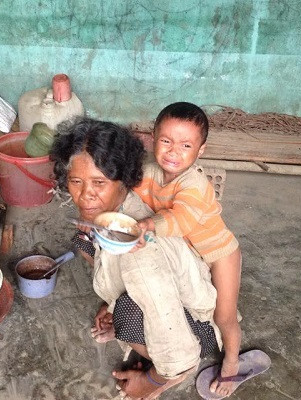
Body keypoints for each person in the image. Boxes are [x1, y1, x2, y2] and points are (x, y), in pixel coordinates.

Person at [50, 118, 221, 399]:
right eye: (76, 181)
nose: (85, 195)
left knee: (127, 314)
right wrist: (108, 303)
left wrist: (151, 381)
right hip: (159, 293)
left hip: (194, 331)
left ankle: (169, 370)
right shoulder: (111, 216)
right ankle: (124, 313)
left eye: (99, 183)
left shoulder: (141, 255)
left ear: (124, 182)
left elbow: (179, 351)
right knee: (84, 239)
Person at [133, 102, 242, 398]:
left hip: (219, 254)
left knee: (224, 316)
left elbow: (181, 219)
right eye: (166, 141)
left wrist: (147, 225)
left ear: (200, 150)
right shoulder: (149, 172)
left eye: (185, 145)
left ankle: (232, 362)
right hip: (188, 254)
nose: (173, 152)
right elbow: (130, 195)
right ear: (153, 139)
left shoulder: (194, 183)